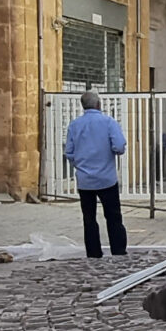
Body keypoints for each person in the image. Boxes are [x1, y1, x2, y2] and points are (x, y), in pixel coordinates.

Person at [65, 91, 128, 258]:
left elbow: (69, 152)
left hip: (85, 180)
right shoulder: (108, 122)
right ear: (99, 104)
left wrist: (79, 164)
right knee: (113, 216)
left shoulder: (74, 125)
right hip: (107, 178)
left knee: (89, 218)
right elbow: (120, 146)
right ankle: (118, 250)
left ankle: (93, 252)